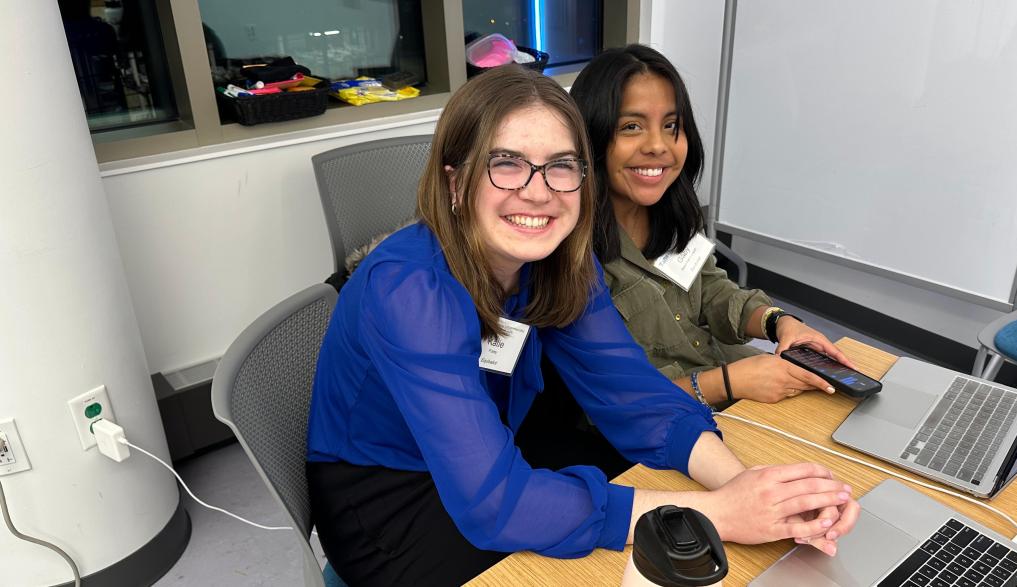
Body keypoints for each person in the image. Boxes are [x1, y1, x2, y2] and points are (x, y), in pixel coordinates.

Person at [305, 64, 859, 586]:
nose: (539, 190)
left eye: (561, 166)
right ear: (455, 183)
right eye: (506, 162)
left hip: (493, 445)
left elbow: (632, 391)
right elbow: (495, 504)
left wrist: (742, 487)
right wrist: (720, 512)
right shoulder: (407, 289)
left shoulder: (558, 260)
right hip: (391, 500)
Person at [570, 45, 858, 408]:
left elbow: (713, 292)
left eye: (671, 126)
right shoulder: (573, 254)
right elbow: (615, 403)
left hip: (734, 382)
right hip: (671, 423)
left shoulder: (671, 214)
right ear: (592, 138)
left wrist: (780, 323)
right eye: (631, 127)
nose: (659, 146)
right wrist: (728, 383)